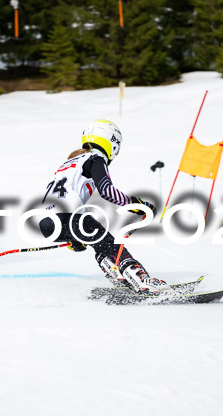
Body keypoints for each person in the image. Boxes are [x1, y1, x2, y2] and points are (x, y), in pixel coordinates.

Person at [38, 119, 167, 294]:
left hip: (46, 223)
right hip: (69, 217)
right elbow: (107, 191)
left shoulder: (69, 163)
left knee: (99, 241)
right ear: (112, 144)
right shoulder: (95, 159)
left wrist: (74, 239)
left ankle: (119, 278)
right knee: (110, 244)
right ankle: (142, 281)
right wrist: (137, 205)